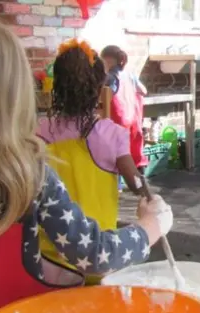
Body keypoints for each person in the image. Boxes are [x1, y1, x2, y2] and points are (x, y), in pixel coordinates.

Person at [0, 20, 172, 313]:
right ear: (13, 98)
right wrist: (151, 225)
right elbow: (98, 253)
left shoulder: (45, 133)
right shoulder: (29, 175)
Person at [38, 39, 147, 283]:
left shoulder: (38, 133)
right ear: (99, 88)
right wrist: (148, 196)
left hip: (48, 263)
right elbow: (136, 184)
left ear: (56, 87)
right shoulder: (111, 135)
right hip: (97, 257)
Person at [100, 45, 148, 174]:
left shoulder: (110, 77)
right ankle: (141, 184)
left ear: (107, 61)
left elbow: (106, 96)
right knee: (133, 153)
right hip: (132, 120)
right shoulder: (130, 75)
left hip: (117, 120)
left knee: (117, 155)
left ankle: (118, 184)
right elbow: (144, 91)